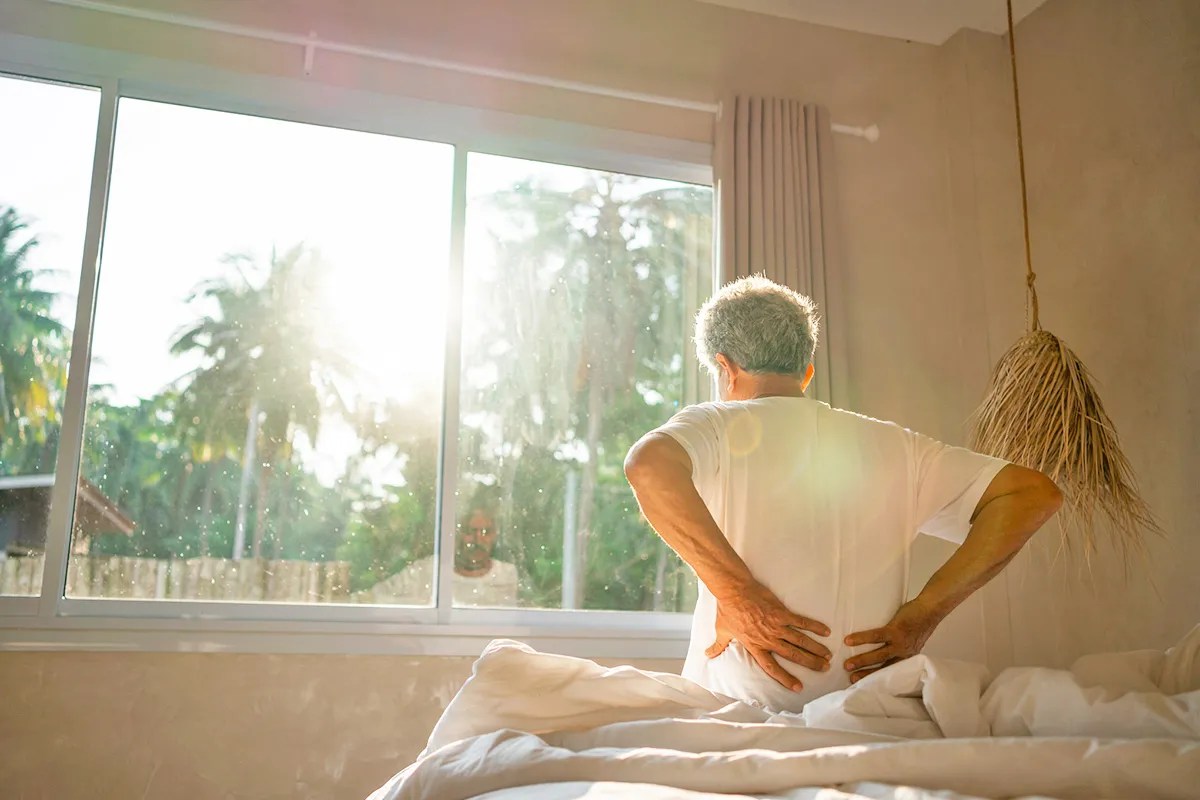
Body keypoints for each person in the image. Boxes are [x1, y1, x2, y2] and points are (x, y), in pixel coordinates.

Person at [624, 275, 1062, 712]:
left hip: (737, 713)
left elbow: (648, 465)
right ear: (807, 372)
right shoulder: (899, 446)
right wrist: (925, 612)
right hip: (862, 713)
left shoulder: (714, 425)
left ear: (726, 369)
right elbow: (1030, 494)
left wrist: (737, 595)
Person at [356, 491, 519, 607]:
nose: (478, 540)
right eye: (470, 532)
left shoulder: (508, 575)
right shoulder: (426, 571)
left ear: (495, 536)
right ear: (456, 535)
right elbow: (370, 599)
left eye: (485, 532)